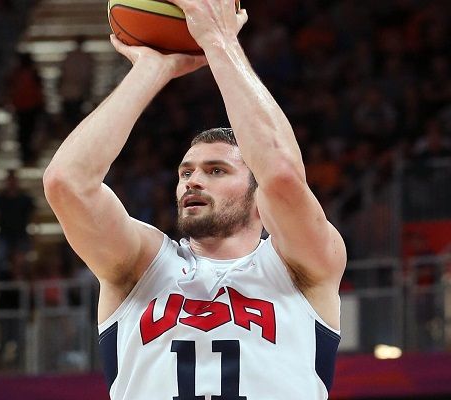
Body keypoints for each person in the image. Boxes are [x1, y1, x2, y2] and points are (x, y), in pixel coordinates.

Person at [43, 2, 346, 399]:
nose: (194, 181)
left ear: (260, 197)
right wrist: (151, 70)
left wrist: (220, 41)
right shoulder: (141, 264)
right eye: (185, 173)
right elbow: (67, 182)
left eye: (216, 171)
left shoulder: (300, 265)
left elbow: (282, 175)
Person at [0, 170, 35, 278]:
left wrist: (35, 232)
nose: (11, 183)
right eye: (9, 180)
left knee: (22, 262)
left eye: (13, 180)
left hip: (21, 234)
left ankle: (22, 280)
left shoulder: (25, 198)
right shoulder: (0, 198)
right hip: (4, 234)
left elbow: (33, 215)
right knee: (1, 261)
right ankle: (2, 282)